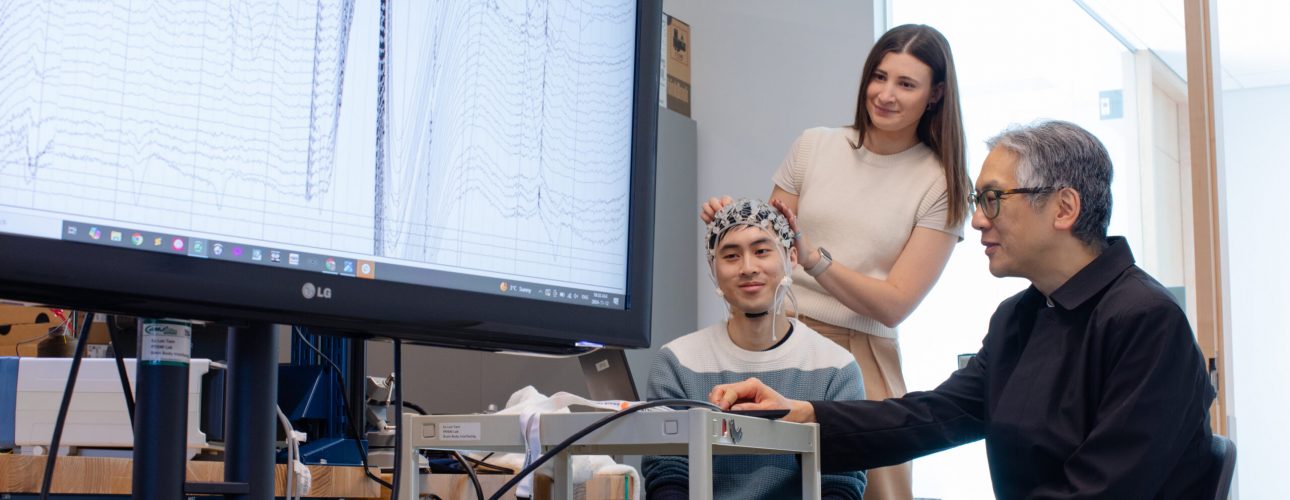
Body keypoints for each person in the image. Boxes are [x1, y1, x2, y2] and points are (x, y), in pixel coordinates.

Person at [709, 121, 1217, 499]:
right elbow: (932, 416)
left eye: (993, 199)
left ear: (1064, 208)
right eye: (978, 199)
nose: (976, 220)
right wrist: (804, 416)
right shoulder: (1019, 318)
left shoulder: (1146, 321)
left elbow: (1105, 489)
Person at [700, 24, 968, 499]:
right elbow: (772, 247)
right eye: (879, 77)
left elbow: (895, 304)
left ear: (936, 94)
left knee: (875, 490)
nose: (885, 94)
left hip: (862, 356)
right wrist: (733, 223)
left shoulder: (941, 182)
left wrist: (815, 260)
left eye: (906, 84)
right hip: (779, 339)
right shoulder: (814, 146)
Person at [644, 198, 867, 500]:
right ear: (713, 268)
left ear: (791, 257)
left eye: (762, 251)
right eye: (731, 256)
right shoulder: (677, 363)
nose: (748, 268)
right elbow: (667, 473)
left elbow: (842, 483)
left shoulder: (836, 367)